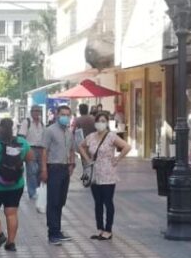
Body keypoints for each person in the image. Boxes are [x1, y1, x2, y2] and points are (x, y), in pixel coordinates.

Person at [78, 111, 131, 240]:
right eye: (98, 121)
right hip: (94, 174)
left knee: (108, 202)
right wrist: (87, 159)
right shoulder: (91, 136)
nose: (100, 124)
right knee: (98, 202)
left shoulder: (111, 136)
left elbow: (126, 146)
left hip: (108, 174)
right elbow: (81, 146)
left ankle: (108, 230)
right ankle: (100, 229)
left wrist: (117, 158)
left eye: (103, 121)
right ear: (95, 122)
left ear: (107, 123)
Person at [0, 118, 31, 252]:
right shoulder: (22, 142)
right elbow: (30, 158)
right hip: (16, 184)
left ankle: (0, 234)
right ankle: (11, 243)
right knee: (11, 213)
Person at [40, 105, 77, 245]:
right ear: (56, 114)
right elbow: (44, 151)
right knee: (53, 201)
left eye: (68, 115)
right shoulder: (50, 131)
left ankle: (58, 230)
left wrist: (72, 164)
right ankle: (52, 233)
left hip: (64, 169)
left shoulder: (68, 131)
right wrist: (44, 170)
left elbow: (72, 149)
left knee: (61, 201)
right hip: (53, 168)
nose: (65, 117)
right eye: (63, 114)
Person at [18, 105, 46, 201]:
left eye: (38, 111)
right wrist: (25, 150)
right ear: (31, 112)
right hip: (30, 148)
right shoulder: (27, 122)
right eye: (35, 111)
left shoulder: (42, 123)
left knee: (39, 171)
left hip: (41, 149)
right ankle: (32, 192)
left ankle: (38, 190)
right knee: (32, 171)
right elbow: (21, 137)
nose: (37, 113)